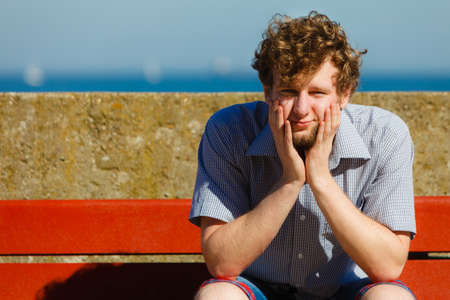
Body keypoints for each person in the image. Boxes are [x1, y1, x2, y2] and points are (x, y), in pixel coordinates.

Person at [189, 11, 416, 300]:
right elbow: (221, 263)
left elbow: (388, 266)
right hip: (258, 289)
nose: (301, 109)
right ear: (268, 92)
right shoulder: (229, 131)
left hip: (348, 291)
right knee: (218, 296)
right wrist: (289, 181)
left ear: (344, 94)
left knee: (390, 297)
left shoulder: (385, 135)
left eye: (318, 92)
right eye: (288, 90)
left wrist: (320, 179)